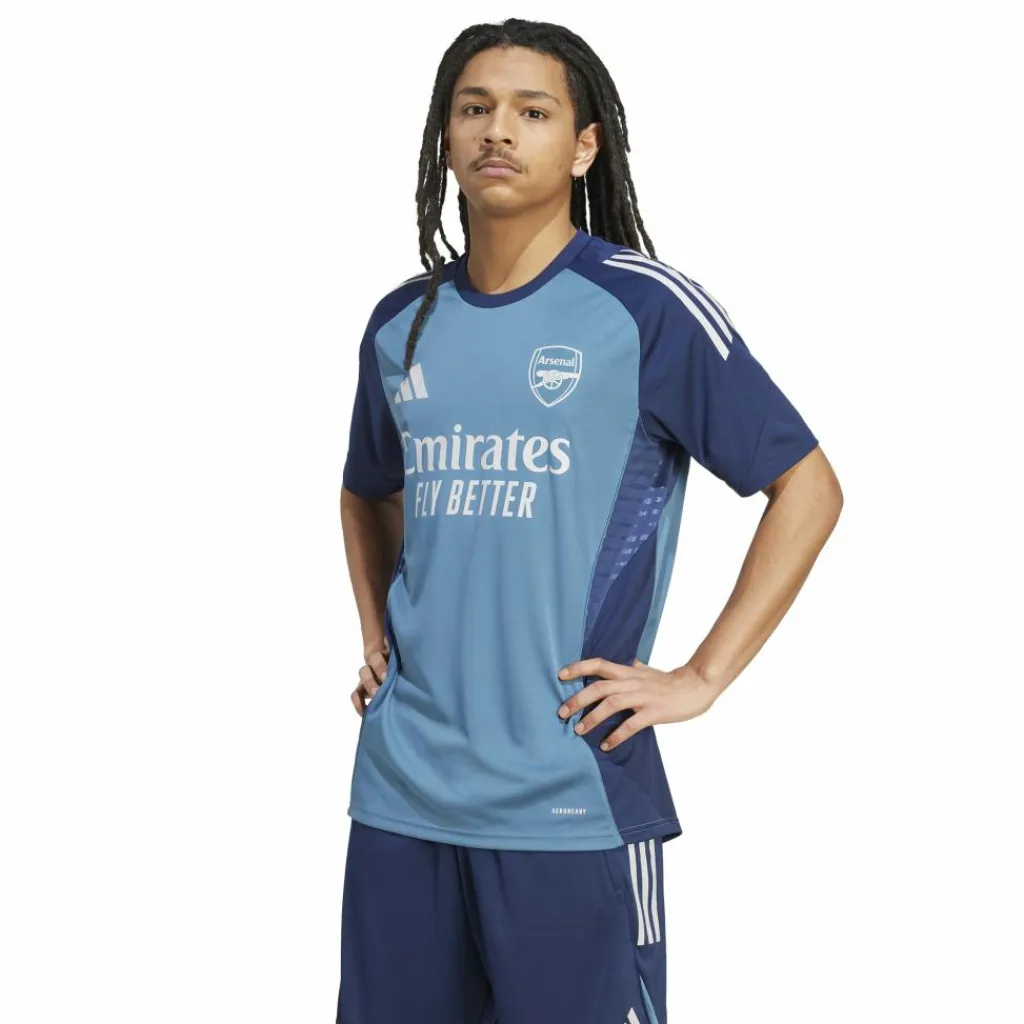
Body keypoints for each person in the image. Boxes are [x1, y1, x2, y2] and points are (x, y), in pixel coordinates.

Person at [335, 17, 843, 1024]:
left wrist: (700, 676)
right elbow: (367, 487)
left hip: (569, 799)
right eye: (474, 107)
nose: (497, 130)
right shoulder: (401, 322)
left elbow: (808, 486)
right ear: (444, 136)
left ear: (583, 147)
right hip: (401, 796)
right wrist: (378, 633)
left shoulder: (642, 310)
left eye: (533, 111)